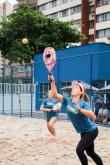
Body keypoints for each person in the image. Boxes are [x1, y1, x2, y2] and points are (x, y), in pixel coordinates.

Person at [48, 75, 103, 165]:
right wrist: (52, 82)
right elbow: (55, 94)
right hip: (83, 131)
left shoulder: (83, 103)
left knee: (79, 150)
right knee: (90, 153)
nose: (73, 88)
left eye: (76, 87)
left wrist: (80, 109)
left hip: (91, 131)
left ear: (81, 92)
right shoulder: (68, 100)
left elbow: (93, 116)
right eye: (73, 87)